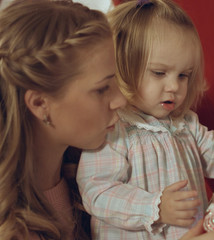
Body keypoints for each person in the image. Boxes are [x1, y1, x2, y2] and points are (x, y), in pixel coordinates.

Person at [76, 0, 214, 239]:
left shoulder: (185, 124)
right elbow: (96, 192)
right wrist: (154, 207)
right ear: (123, 67)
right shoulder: (113, 128)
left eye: (183, 75)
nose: (174, 86)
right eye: (159, 73)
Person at [0, 0, 127, 239]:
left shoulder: (102, 175)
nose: (121, 100)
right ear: (40, 104)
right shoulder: (10, 229)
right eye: (101, 89)